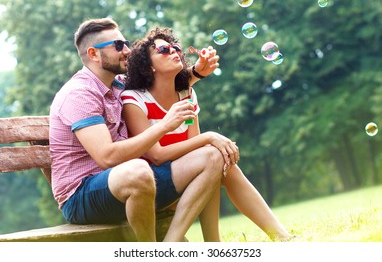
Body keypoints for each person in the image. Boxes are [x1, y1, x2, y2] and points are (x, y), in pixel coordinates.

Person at [49, 18, 236, 242]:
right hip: (83, 195)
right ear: (93, 54)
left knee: (211, 156)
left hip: (135, 180)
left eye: (125, 43)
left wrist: (196, 72)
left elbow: (157, 82)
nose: (127, 50)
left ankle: (170, 245)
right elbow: (106, 157)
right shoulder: (79, 94)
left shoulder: (118, 83)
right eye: (118, 46)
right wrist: (166, 125)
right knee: (138, 170)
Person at [121, 26, 293, 241]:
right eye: (163, 50)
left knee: (221, 162)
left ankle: (276, 238)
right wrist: (210, 137)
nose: (174, 52)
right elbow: (156, 155)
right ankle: (215, 243)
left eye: (175, 48)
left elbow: (195, 148)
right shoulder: (135, 99)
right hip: (151, 187)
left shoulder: (187, 94)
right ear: (149, 66)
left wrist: (210, 144)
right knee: (213, 156)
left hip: (185, 177)